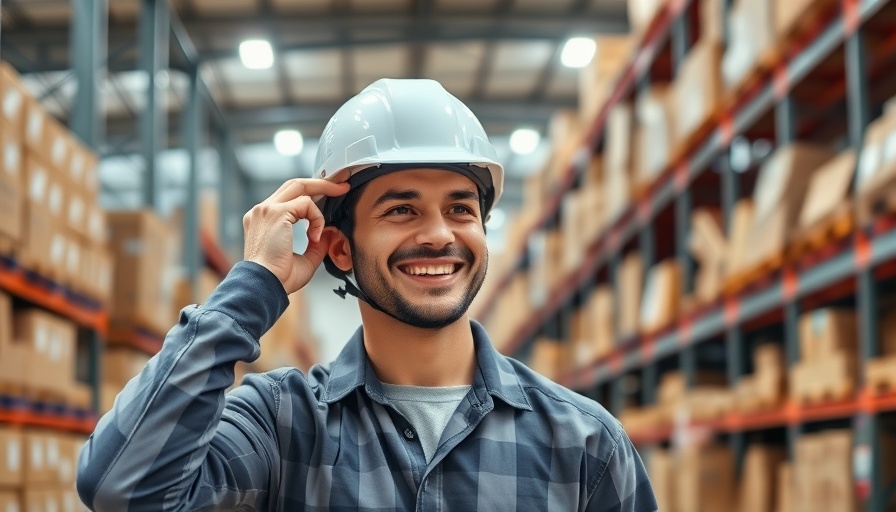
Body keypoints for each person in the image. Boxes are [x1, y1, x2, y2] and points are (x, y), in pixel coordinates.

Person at [76, 79, 657, 511]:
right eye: (401, 209)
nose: (438, 233)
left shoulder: (585, 443)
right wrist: (254, 284)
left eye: (461, 208)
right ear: (339, 248)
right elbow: (123, 487)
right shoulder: (281, 426)